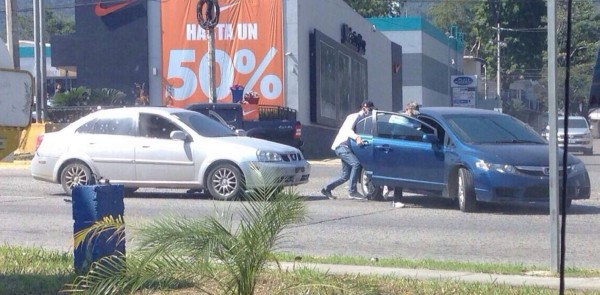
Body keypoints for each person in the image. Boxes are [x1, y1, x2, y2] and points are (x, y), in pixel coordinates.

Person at [321, 100, 374, 200]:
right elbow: (347, 130)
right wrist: (357, 137)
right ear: (364, 108)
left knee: (345, 175)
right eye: (369, 109)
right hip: (342, 146)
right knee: (356, 164)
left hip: (346, 148)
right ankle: (352, 191)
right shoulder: (354, 117)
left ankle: (326, 188)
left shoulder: (364, 120)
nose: (370, 111)